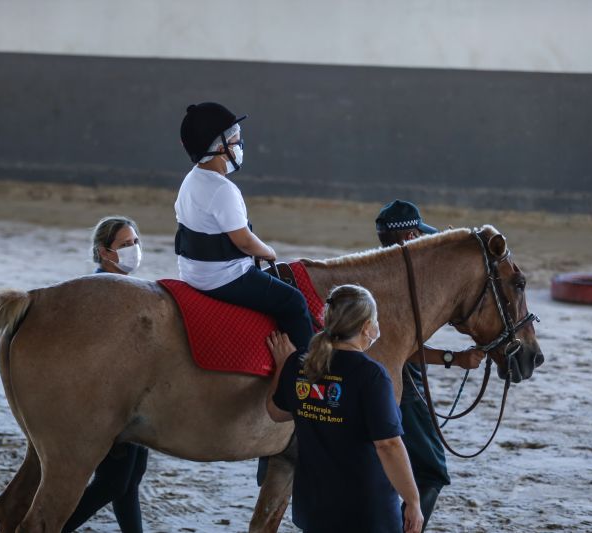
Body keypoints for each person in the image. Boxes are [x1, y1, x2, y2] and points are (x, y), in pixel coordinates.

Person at [266, 284, 424, 533]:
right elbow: (388, 445)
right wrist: (413, 501)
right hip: (364, 509)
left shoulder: (299, 365)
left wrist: (283, 366)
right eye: (375, 320)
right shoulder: (371, 374)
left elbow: (276, 412)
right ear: (366, 326)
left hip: (314, 504)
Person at [375, 200, 485, 531]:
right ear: (411, 236)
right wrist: (455, 358)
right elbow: (404, 350)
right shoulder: (405, 282)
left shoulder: (373, 271)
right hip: (403, 382)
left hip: (375, 376)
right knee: (431, 471)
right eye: (420, 234)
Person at [174, 102, 314, 354]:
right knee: (293, 302)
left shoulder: (191, 180)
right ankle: (305, 368)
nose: (239, 146)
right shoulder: (222, 190)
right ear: (220, 147)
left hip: (191, 272)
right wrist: (268, 251)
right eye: (235, 141)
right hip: (223, 278)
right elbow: (244, 242)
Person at [62, 216, 148, 532]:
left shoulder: (128, 288)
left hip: (134, 400)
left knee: (129, 480)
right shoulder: (100, 291)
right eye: (125, 244)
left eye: (135, 242)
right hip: (111, 404)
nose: (133, 249)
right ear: (104, 252)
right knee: (113, 483)